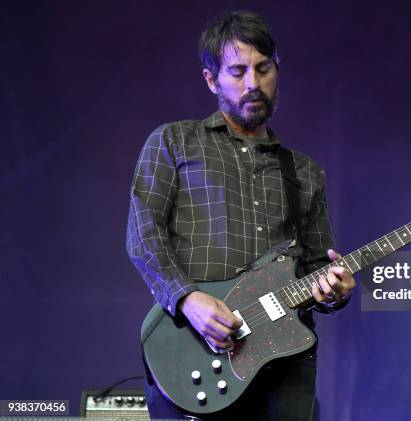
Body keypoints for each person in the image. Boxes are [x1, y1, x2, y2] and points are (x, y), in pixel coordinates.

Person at [126, 10, 355, 420]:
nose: (253, 83)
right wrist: (188, 299)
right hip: (195, 352)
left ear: (276, 70)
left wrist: (336, 292)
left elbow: (318, 268)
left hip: (283, 364)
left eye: (263, 68)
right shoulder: (174, 142)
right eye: (237, 71)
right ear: (211, 79)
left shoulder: (304, 172)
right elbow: (143, 236)